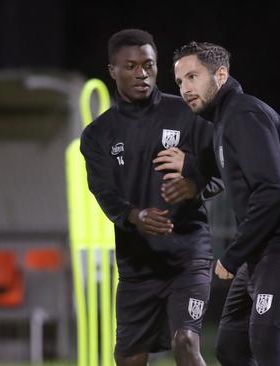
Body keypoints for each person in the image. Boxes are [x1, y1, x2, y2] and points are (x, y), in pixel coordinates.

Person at [173, 41, 280, 366]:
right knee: (232, 348)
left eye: (193, 77)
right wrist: (189, 169)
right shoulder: (224, 121)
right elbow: (226, 169)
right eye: (179, 82)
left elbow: (272, 190)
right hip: (264, 247)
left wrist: (232, 256)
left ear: (221, 74)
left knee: (267, 345)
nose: (186, 88)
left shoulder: (244, 114)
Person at [80, 29, 222, 366]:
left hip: (188, 257)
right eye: (130, 66)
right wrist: (135, 216)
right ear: (112, 70)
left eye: (149, 65)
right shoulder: (98, 134)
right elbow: (103, 191)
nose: (141, 73)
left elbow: (223, 169)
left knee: (186, 341)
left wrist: (195, 184)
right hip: (137, 268)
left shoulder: (188, 115)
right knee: (128, 359)